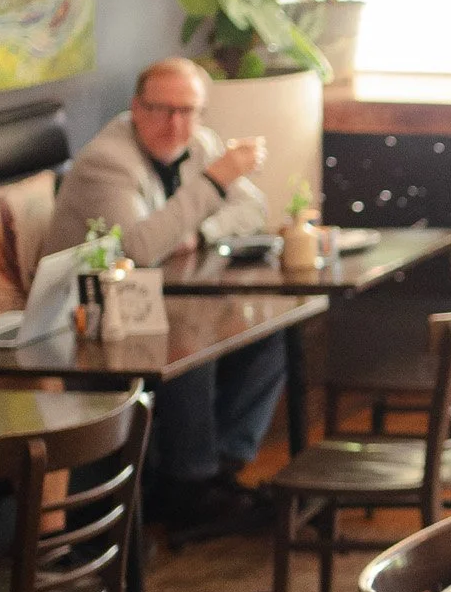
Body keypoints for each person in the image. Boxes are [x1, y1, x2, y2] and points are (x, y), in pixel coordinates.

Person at [45, 57, 281, 528]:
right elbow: (142, 246)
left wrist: (201, 229)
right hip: (86, 320)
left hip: (158, 301)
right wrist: (215, 182)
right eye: (162, 110)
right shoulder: (106, 162)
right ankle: (189, 484)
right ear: (136, 107)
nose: (176, 125)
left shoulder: (199, 143)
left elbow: (253, 209)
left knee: (268, 335)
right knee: (192, 347)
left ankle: (215, 471)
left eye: (189, 111)